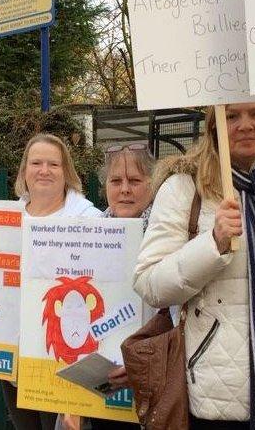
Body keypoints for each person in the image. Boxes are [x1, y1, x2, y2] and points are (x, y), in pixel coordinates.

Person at [134, 103, 255, 429]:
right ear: (213, 126)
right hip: (219, 397)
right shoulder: (185, 189)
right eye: (232, 116)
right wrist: (213, 244)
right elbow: (150, 284)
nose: (246, 125)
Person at [0, 133, 102, 430]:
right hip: (16, 359)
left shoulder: (89, 221)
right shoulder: (5, 220)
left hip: (66, 362)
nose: (44, 170)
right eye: (36, 162)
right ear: (24, 170)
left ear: (66, 171)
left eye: (53, 164)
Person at [92, 144, 156, 430]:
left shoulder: (167, 232)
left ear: (152, 186)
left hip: (153, 378)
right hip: (102, 381)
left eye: (135, 181)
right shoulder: (88, 233)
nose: (125, 189)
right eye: (116, 181)